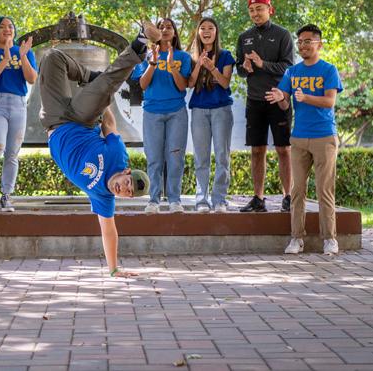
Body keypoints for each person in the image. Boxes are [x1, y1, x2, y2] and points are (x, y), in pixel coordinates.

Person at [38, 22, 157, 278]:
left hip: (56, 121)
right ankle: (138, 44)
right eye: (127, 184)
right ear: (126, 172)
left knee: (50, 60)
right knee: (68, 64)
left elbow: (108, 230)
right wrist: (100, 98)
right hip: (83, 119)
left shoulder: (104, 197)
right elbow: (110, 124)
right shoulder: (118, 156)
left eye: (127, 194)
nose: (123, 189)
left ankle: (93, 79)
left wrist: (114, 269)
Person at [266, 24, 343, 255]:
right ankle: (296, 239)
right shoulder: (292, 72)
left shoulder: (329, 70)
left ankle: (329, 239)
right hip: (299, 138)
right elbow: (285, 102)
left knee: (324, 190)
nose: (303, 45)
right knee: (296, 190)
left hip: (324, 137)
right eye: (300, 41)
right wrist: (280, 96)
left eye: (308, 41)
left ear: (319, 44)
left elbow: (330, 102)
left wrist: (306, 96)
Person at [236, 0, 295, 213]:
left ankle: (288, 196)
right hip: (255, 100)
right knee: (257, 150)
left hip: (278, 98)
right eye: (251, 10)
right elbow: (240, 69)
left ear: (270, 9)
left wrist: (262, 64)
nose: (255, 13)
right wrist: (246, 68)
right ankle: (258, 199)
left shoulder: (282, 35)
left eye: (259, 9)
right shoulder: (244, 37)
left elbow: (288, 67)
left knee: (284, 149)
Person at [0, 16, 38, 212]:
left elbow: (31, 79)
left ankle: (6, 195)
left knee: (12, 153)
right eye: (2, 27)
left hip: (18, 103)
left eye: (10, 26)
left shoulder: (25, 52)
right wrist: (4, 59)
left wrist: (21, 55)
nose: (7, 29)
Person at [131, 18, 192, 213]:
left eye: (169, 27)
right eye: (161, 27)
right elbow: (142, 85)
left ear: (174, 32)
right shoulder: (147, 55)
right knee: (154, 158)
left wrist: (172, 66)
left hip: (176, 112)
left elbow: (183, 86)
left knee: (175, 157)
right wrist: (154, 62)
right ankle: (154, 200)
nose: (165, 30)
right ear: (155, 33)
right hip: (152, 112)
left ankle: (174, 200)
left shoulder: (183, 56)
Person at [187, 17, 235, 212]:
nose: (206, 31)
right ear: (198, 33)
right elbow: (190, 83)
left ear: (216, 32)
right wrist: (199, 64)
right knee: (201, 157)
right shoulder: (191, 58)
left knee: (222, 156)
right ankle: (201, 200)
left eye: (211, 28)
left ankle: (219, 200)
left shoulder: (225, 56)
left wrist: (212, 68)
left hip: (221, 110)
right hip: (199, 110)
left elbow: (225, 83)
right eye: (202, 28)